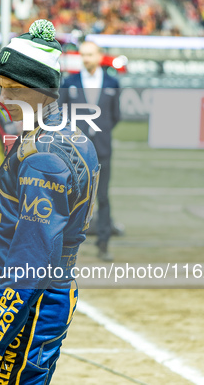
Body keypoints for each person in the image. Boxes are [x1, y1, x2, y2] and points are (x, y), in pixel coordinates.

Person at [0, 20, 100, 384]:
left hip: (32, 303)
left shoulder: (43, 156)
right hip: (41, 295)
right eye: (1, 86)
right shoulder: (64, 136)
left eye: (14, 88)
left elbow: (34, 250)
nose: (3, 97)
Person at [60, 41, 120, 262]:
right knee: (69, 196)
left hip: (103, 149)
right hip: (74, 151)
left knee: (102, 197)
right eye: (83, 55)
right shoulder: (69, 82)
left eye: (90, 54)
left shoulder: (113, 82)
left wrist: (99, 134)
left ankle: (103, 244)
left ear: (99, 56)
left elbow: (115, 116)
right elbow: (62, 113)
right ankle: (63, 244)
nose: (86, 58)